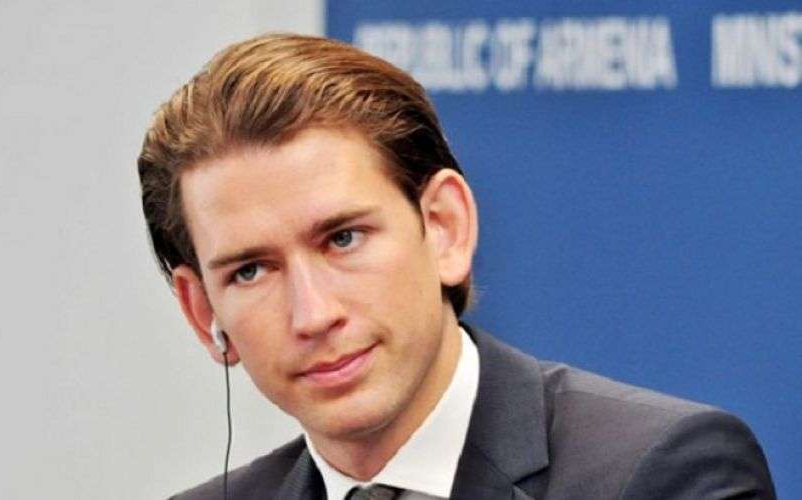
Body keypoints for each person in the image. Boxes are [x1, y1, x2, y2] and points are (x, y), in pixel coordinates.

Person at [137, 34, 776, 499]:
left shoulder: (662, 474)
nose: (313, 314)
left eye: (343, 239)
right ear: (202, 311)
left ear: (444, 227)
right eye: (250, 271)